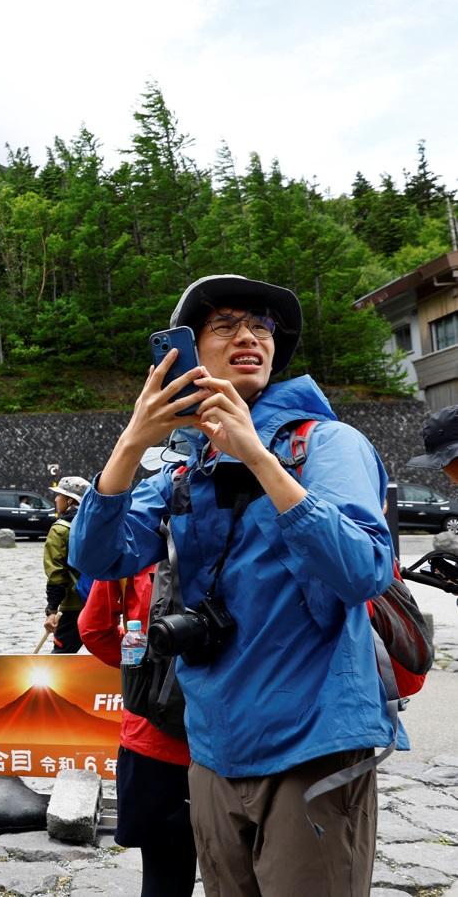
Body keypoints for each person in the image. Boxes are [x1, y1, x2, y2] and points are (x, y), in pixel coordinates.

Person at [71, 275, 397, 896]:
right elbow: (100, 555)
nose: (249, 336)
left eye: (262, 327)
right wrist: (134, 440)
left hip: (314, 741)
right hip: (214, 744)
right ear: (189, 352)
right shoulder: (185, 466)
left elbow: (363, 569)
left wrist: (259, 459)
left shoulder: (327, 444)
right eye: (224, 326)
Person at [79, 567, 196, 897]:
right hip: (242, 738)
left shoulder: (138, 543)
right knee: (247, 874)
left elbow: (94, 629)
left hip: (154, 739)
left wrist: (147, 673)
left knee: (164, 875)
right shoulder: (253, 534)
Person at [43, 476, 90, 654]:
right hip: (100, 600)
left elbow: (56, 574)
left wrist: (52, 610)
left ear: (70, 500)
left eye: (59, 496)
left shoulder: (60, 529)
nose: (56, 499)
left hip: (72, 604)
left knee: (61, 659)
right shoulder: (95, 525)